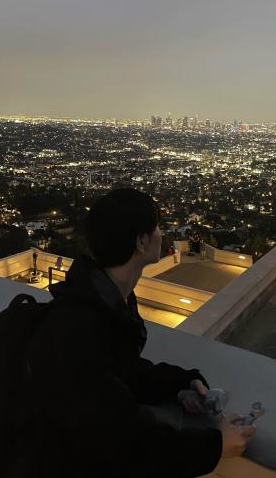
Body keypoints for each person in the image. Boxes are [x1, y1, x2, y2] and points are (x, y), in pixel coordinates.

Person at [26, 188, 255, 477]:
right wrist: (216, 446)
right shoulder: (80, 328)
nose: (162, 233)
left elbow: (120, 373)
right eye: (157, 227)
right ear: (142, 242)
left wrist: (180, 382)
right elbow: (126, 442)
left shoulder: (104, 300)